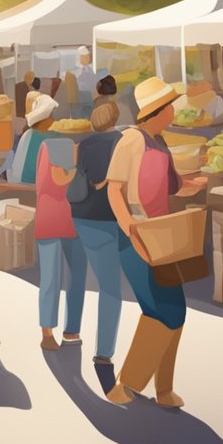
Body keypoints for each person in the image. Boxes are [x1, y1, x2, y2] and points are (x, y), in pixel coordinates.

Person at [104, 77, 207, 407]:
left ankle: (163, 390)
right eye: (170, 105)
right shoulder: (130, 141)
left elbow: (173, 187)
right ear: (157, 111)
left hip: (162, 236)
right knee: (165, 311)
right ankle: (127, 386)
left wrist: (193, 183)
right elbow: (113, 189)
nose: (175, 109)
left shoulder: (159, 142)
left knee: (171, 310)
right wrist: (130, 226)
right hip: (138, 237)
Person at [70, 100, 126, 365]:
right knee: (111, 288)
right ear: (116, 116)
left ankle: (73, 329)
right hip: (108, 217)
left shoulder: (84, 144)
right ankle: (104, 351)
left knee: (85, 275)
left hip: (82, 215)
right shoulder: (122, 142)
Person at [35, 136, 84, 350]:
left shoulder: (46, 148)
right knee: (71, 277)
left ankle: (51, 330)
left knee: (52, 278)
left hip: (53, 218)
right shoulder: (69, 151)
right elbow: (60, 179)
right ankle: (66, 330)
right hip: (66, 218)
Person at [5, 94, 63, 184]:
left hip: (22, 184)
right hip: (36, 185)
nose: (54, 119)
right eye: (51, 115)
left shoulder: (29, 134)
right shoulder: (55, 137)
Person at [73, 46, 99, 119]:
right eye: (84, 56)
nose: (86, 58)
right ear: (79, 57)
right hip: (79, 101)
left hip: (91, 101)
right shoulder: (74, 72)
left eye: (87, 56)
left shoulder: (93, 71)